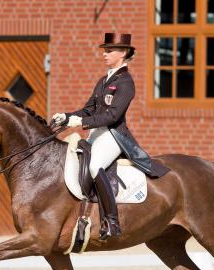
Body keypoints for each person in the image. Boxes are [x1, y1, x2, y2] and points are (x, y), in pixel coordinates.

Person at [53, 33, 169, 240]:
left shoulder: (126, 82)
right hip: (96, 133)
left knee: (93, 165)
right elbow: (88, 110)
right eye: (104, 50)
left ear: (123, 53)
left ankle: (111, 221)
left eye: (109, 51)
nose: (105, 54)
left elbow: (113, 115)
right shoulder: (104, 80)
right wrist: (67, 117)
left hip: (114, 135)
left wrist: (81, 123)